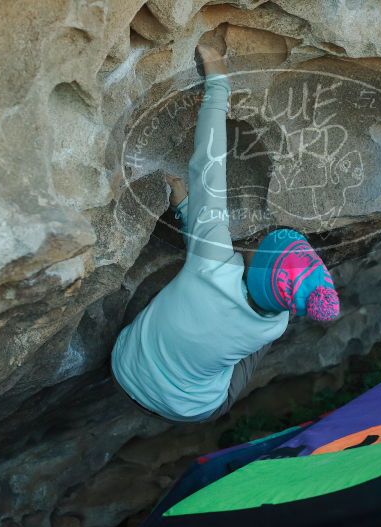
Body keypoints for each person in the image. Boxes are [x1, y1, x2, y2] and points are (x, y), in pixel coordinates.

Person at [110, 44, 340, 424]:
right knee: (261, 334)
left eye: (260, 248)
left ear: (254, 267)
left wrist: (218, 82)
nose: (253, 244)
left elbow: (209, 165)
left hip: (126, 364)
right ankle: (291, 294)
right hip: (192, 408)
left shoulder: (215, 260)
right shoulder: (275, 324)